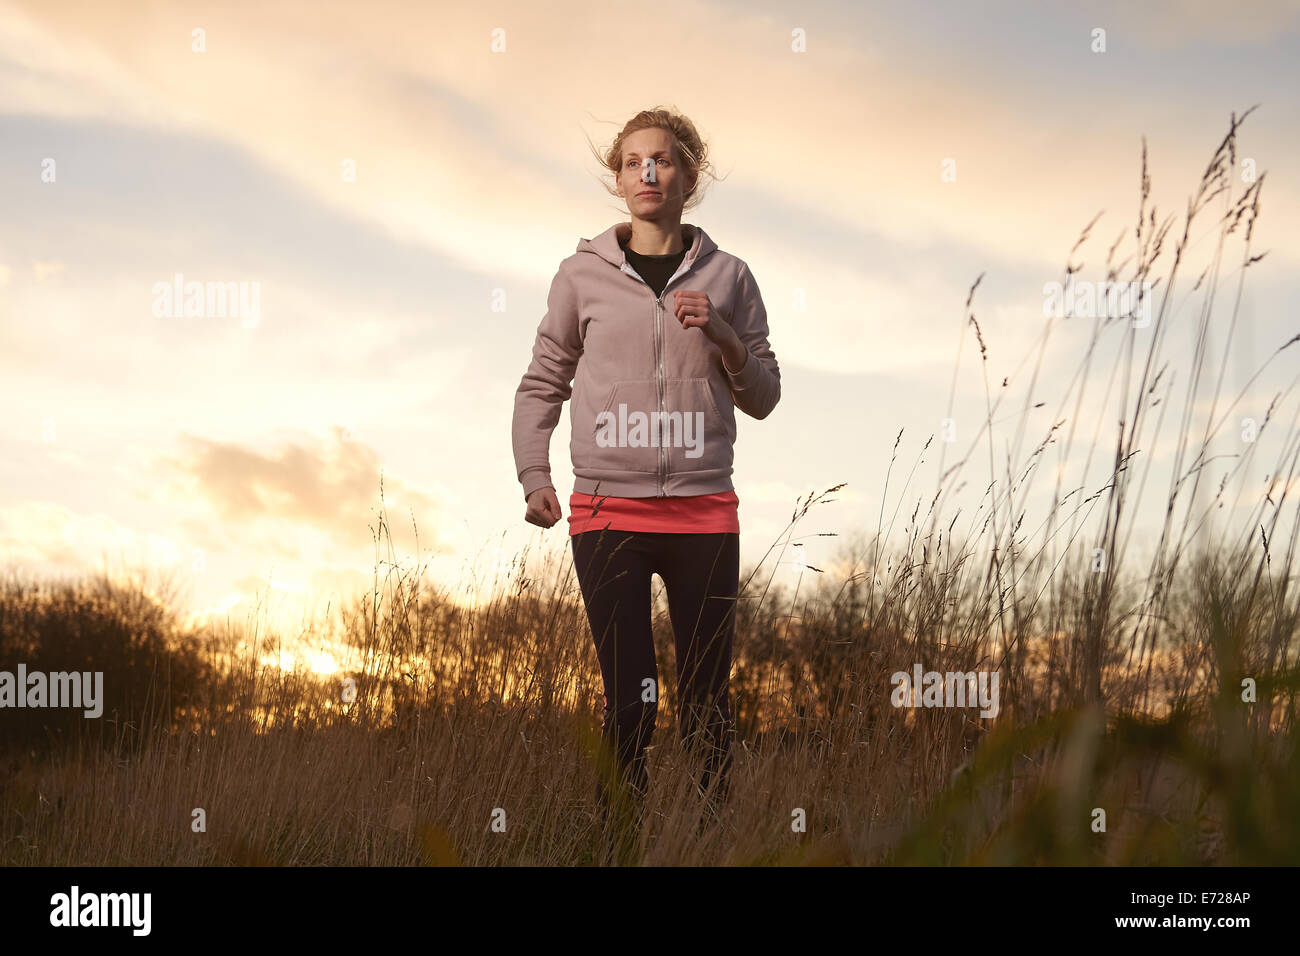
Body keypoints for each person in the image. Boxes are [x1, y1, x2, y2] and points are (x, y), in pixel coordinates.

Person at [510, 107, 781, 864]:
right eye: (633, 162)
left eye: (663, 161)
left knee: (705, 708)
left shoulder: (731, 278)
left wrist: (724, 337)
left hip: (704, 514)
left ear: (691, 177)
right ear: (619, 178)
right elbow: (542, 383)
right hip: (606, 514)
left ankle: (708, 849)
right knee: (630, 706)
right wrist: (535, 474)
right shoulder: (580, 277)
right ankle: (619, 847)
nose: (649, 174)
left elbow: (763, 394)